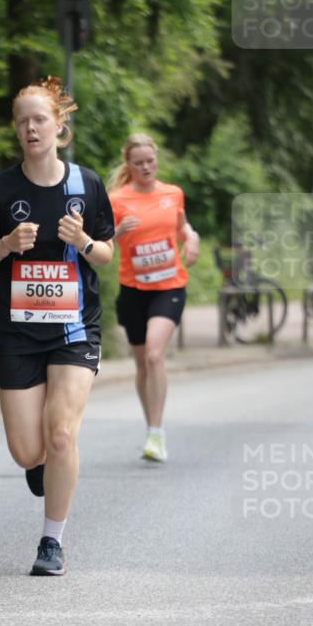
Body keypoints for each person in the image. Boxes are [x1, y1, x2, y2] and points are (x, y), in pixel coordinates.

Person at [0, 77, 115, 576]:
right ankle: (41, 469)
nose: (31, 128)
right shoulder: (0, 189)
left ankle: (52, 542)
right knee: (27, 450)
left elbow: (107, 254)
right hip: (16, 333)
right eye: (23, 121)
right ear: (16, 129)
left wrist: (85, 241)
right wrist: (5, 245)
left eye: (39, 120)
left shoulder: (86, 185)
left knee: (61, 435)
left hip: (74, 328)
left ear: (58, 126)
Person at [108, 133, 200, 462]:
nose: (146, 167)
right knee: (142, 365)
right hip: (133, 290)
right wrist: (118, 233)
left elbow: (181, 228)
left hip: (169, 286)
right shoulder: (117, 200)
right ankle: (151, 428)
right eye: (138, 163)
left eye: (150, 161)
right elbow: (103, 244)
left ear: (156, 159)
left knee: (154, 355)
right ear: (129, 165)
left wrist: (191, 238)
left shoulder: (172, 194)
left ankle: (157, 433)